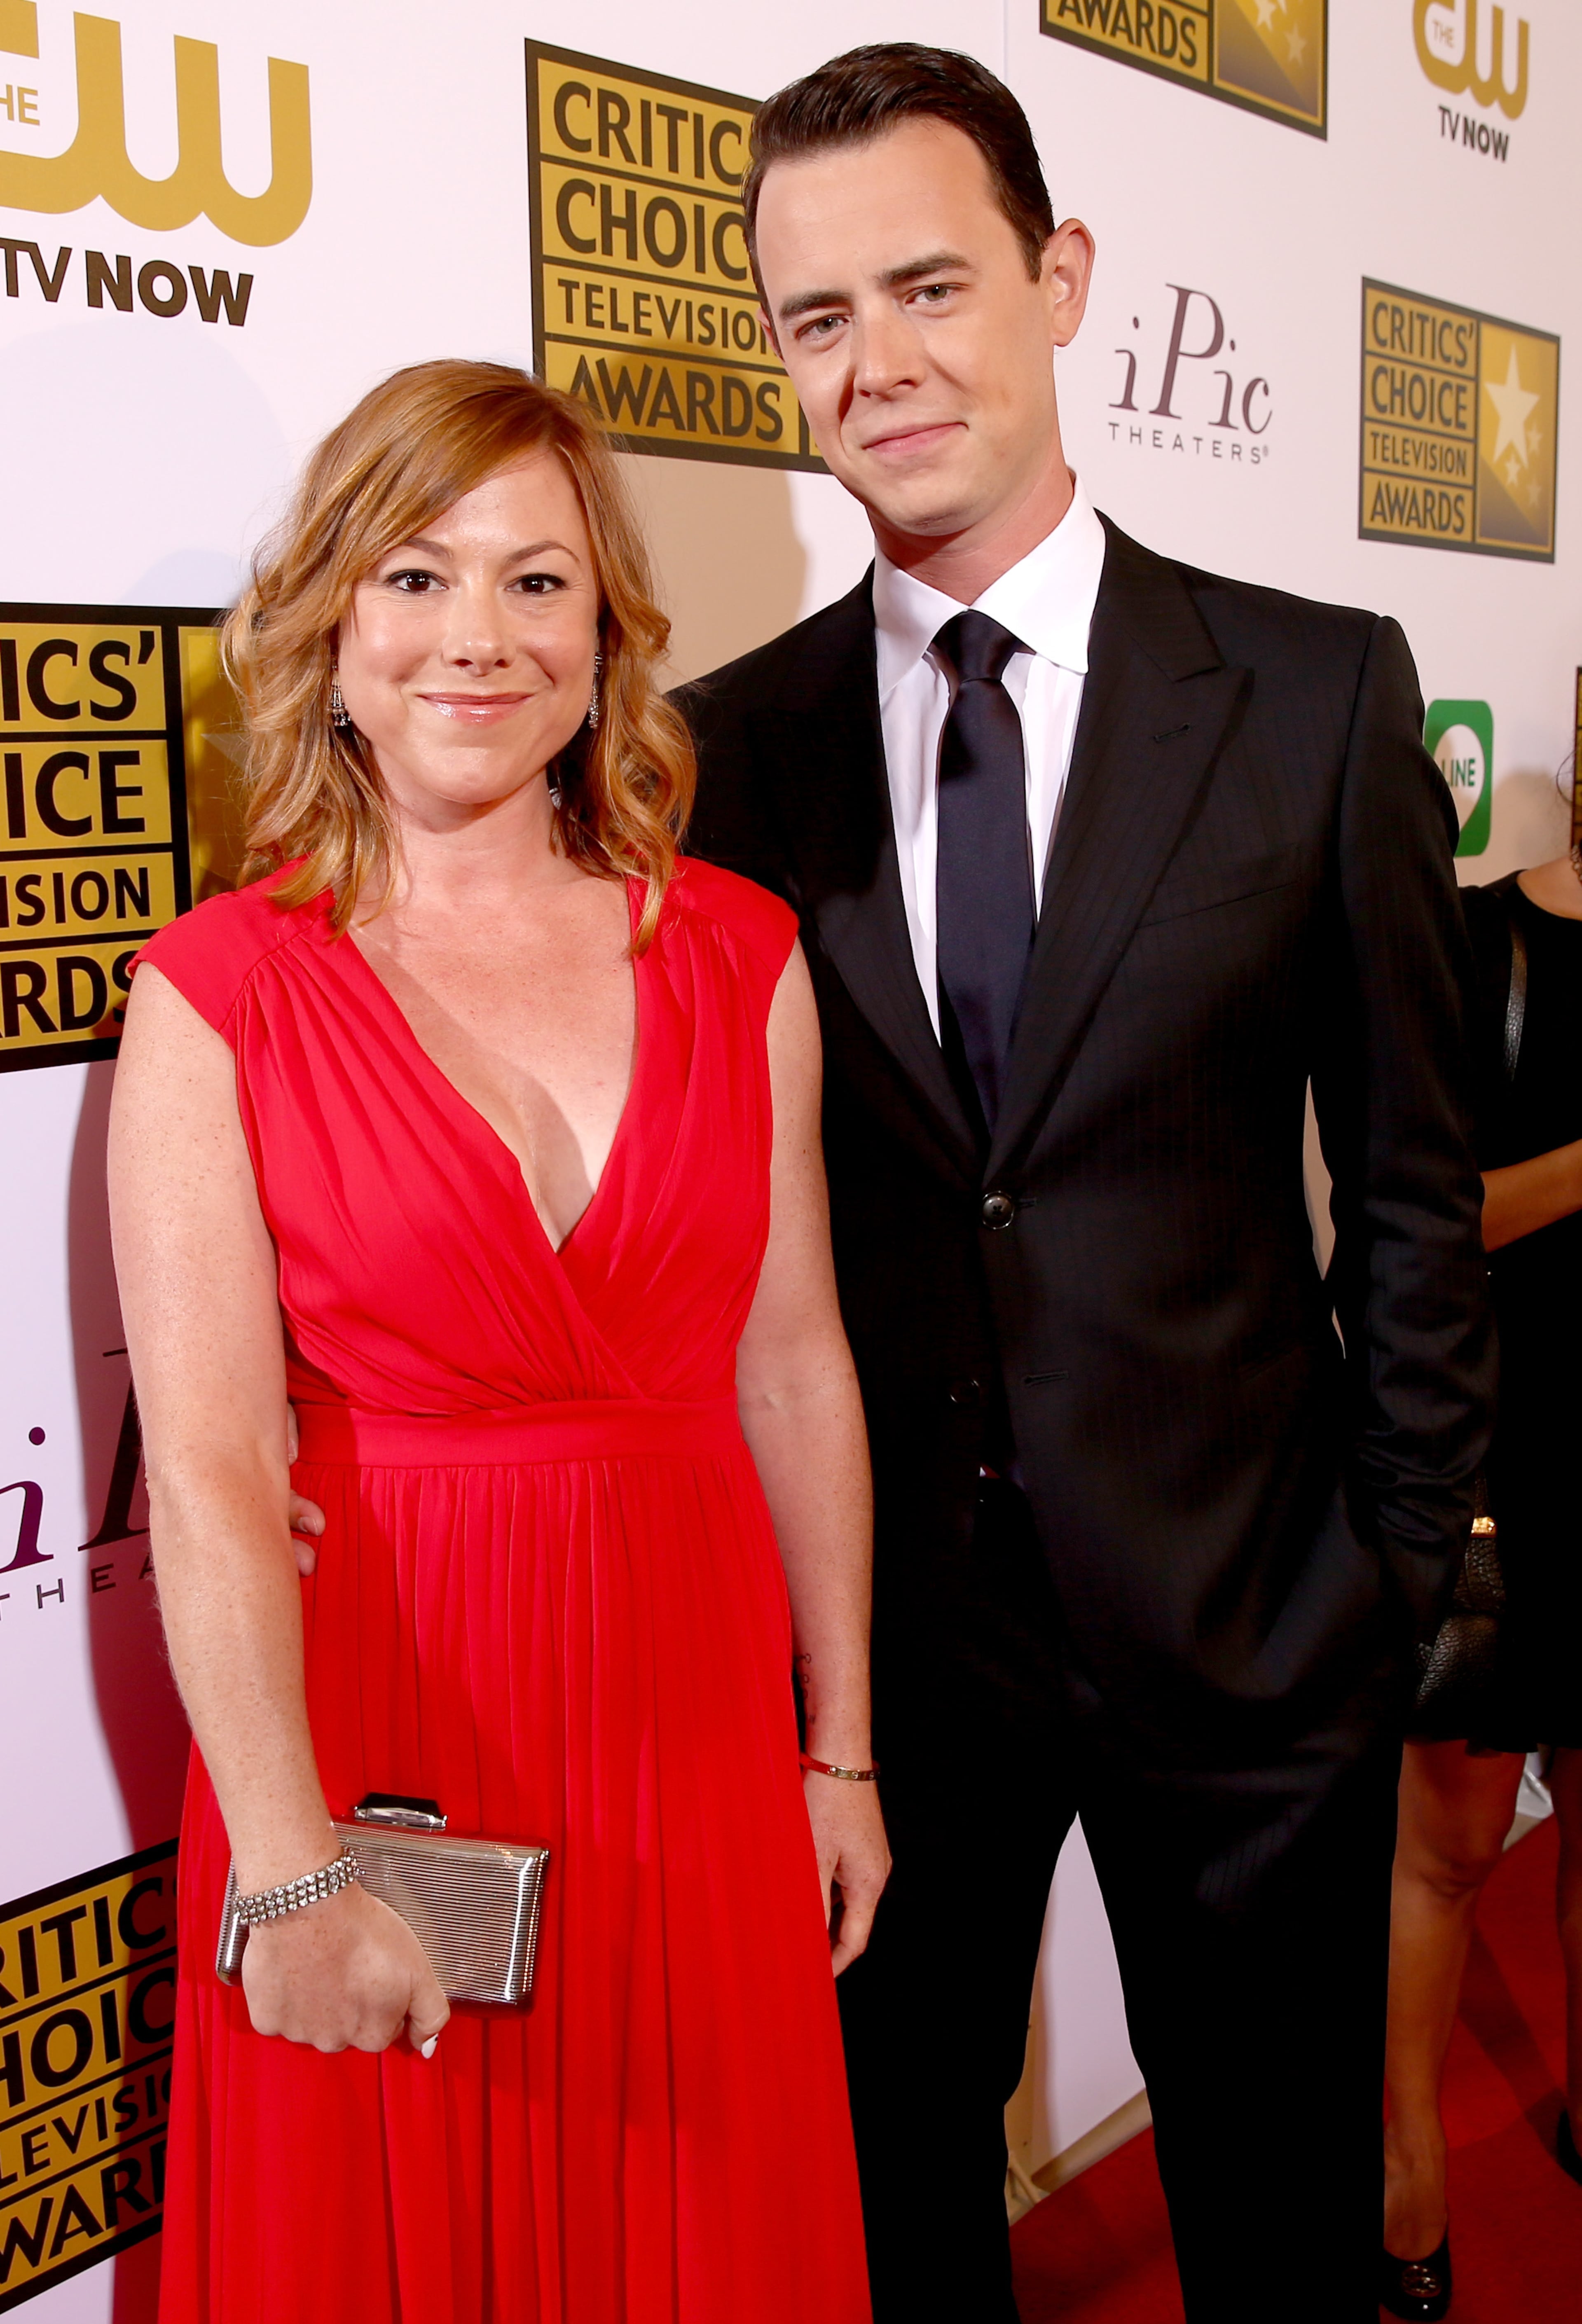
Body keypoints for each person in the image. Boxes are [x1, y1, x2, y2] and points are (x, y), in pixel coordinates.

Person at [679, 42, 1495, 2324]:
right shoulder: (722, 756)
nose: (880, 362)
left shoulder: (1318, 697)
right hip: (884, 1673)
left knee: (1273, 2226)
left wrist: (1392, 1569)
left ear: (1062, 283)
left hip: (1254, 1638)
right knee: (893, 2219)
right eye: (819, 315)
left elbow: (1416, 1185)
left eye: (930, 286)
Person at [106, 359, 886, 2324]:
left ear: (608, 634)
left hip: (693, 1735)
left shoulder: (741, 949)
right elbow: (202, 1470)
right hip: (379, 1726)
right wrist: (283, 1873)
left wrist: (842, 1746)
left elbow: (794, 1365)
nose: (480, 638)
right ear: (333, 628)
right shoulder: (221, 993)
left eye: (540, 584)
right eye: (418, 576)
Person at [1381, 852, 1582, 2322]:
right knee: (1446, 1849)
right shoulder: (1476, 942)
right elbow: (1420, 1221)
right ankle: (1406, 2181)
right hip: (1506, 1462)